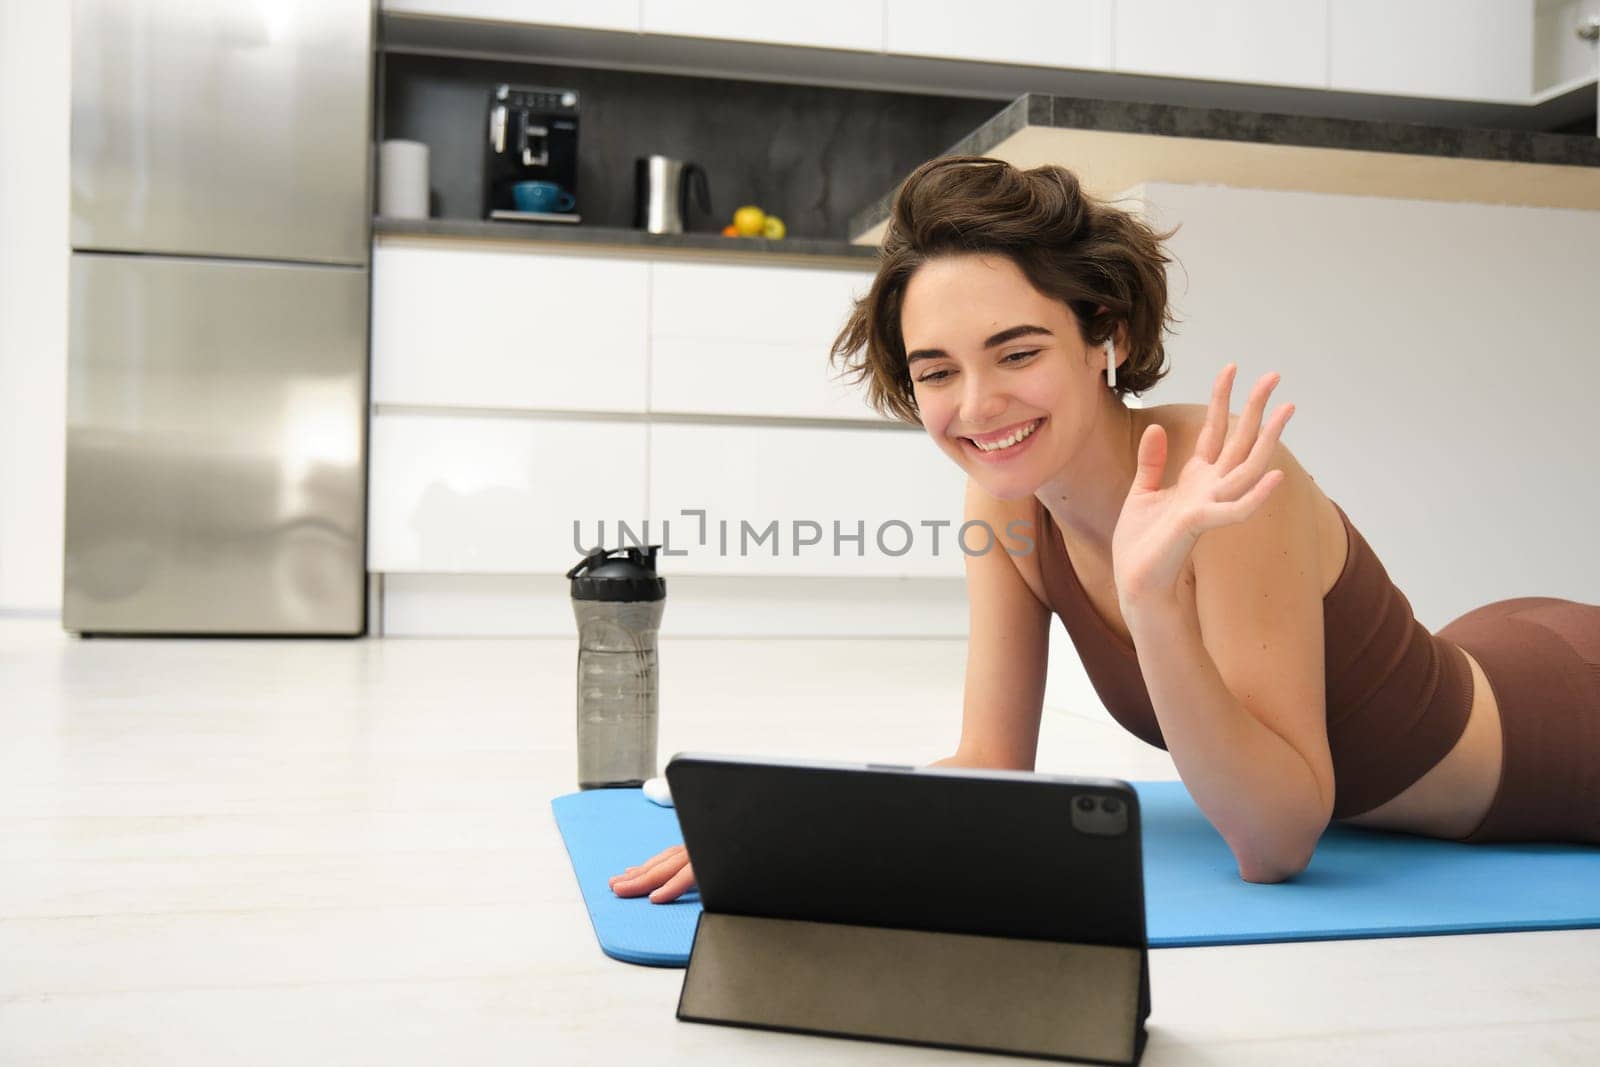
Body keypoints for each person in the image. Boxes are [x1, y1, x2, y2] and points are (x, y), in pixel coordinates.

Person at [610, 155, 1600, 905]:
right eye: (937, 368)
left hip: (1562, 729)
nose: (977, 403)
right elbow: (992, 765)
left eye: (1016, 350)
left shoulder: (1218, 479)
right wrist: (801, 828)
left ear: (1108, 336)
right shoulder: (1006, 500)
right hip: (1497, 637)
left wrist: (1151, 605)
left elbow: (1276, 841)